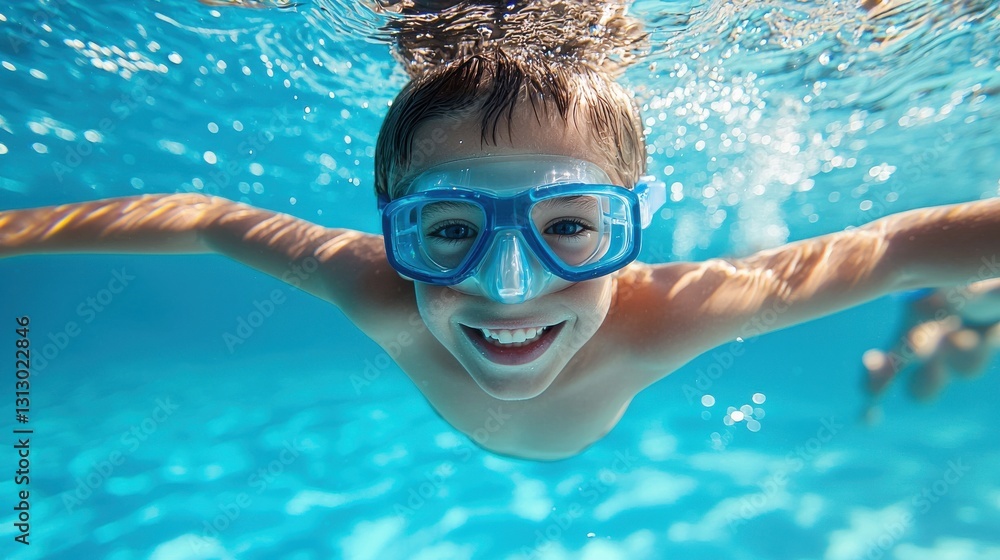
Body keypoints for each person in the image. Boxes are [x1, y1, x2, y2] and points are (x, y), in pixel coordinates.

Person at [3, 9, 1000, 462]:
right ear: (391, 230)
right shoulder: (376, 287)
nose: (511, 284)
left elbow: (901, 247)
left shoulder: (669, 314)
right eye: (448, 230)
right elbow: (208, 220)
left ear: (632, 229)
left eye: (572, 227)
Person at [860, 279, 1000, 423]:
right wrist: (871, 404)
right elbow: (877, 367)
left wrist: (871, 404)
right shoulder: (965, 362)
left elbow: (877, 366)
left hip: (944, 296)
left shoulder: (915, 345)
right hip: (966, 309)